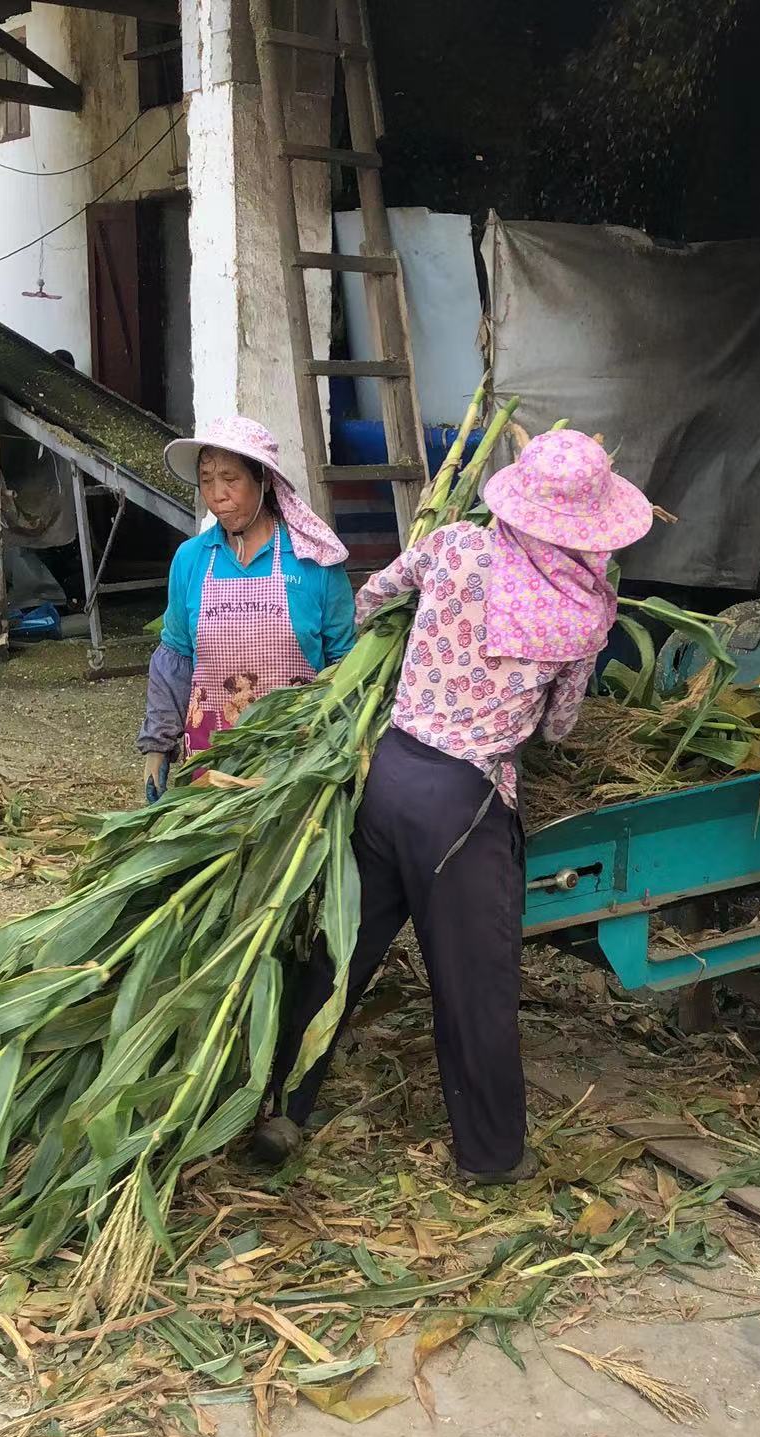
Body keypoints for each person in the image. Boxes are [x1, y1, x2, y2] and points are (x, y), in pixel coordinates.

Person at [252, 428, 653, 1185]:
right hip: (462, 808)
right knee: (475, 984)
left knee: (341, 954)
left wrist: (406, 659)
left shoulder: (456, 545)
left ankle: (277, 1106)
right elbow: (560, 726)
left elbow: (373, 598)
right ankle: (493, 1158)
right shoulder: (581, 615)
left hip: (391, 776)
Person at [137, 416, 355, 790]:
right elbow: (175, 657)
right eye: (206, 480)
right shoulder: (192, 559)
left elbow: (346, 662)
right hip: (211, 761)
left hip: (294, 758)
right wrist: (157, 747)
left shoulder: (312, 561)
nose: (217, 494)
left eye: (231, 479)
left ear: (264, 481)